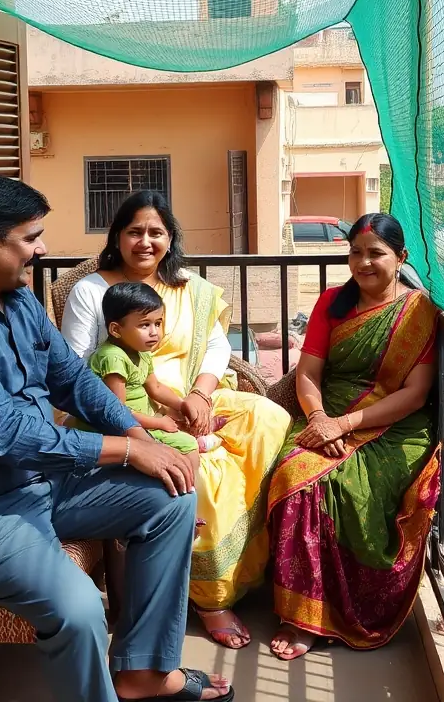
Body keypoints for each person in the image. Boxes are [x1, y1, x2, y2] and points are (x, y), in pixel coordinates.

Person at [0, 175, 233, 702]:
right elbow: (7, 433)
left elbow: (74, 379)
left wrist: (138, 435)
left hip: (38, 480)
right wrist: (131, 449)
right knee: (82, 607)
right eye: (32, 237)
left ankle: (142, 672)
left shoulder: (15, 298)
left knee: (170, 498)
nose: (42, 249)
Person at [62, 191, 292, 650]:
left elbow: (215, 348)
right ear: (117, 237)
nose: (144, 242)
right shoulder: (92, 290)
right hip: (124, 411)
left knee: (268, 418)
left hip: (193, 396)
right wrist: (156, 419)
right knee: (201, 468)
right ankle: (210, 597)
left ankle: (250, 566)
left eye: (155, 232)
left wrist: (200, 396)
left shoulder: (192, 287)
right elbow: (73, 363)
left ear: (170, 238)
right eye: (134, 231)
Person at [268, 213, 440, 660]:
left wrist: (343, 426)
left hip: (394, 423)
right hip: (326, 411)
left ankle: (343, 607)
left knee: (344, 489)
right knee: (292, 480)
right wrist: (320, 417)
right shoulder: (332, 303)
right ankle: (299, 614)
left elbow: (416, 394)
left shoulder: (419, 313)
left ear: (400, 258)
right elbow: (307, 374)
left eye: (376, 253)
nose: (363, 263)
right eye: (356, 252)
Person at [88, 281, 201, 463]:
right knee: (188, 446)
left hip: (141, 419)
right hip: (118, 427)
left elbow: (155, 387)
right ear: (116, 329)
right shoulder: (113, 358)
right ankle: (189, 489)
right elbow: (117, 412)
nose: (154, 332)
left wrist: (181, 405)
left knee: (183, 422)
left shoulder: (140, 351)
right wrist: (159, 423)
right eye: (144, 325)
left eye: (158, 323)